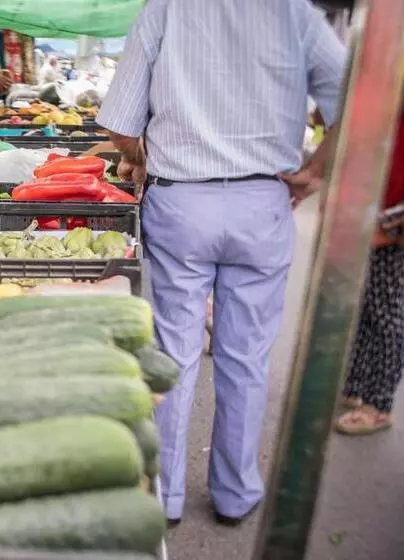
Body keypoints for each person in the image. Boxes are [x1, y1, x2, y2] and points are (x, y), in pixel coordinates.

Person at [98, 0, 347, 526]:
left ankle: (163, 495)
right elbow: (357, 103)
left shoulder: (164, 9)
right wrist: (315, 174)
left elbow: (121, 125)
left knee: (175, 352)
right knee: (246, 357)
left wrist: (144, 157)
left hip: (182, 203)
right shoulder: (296, 14)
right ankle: (235, 493)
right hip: (263, 203)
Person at [325, 109, 402, 435]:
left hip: (393, 223)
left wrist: (391, 225)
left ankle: (378, 404)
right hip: (379, 213)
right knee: (367, 308)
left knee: (389, 317)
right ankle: (356, 387)